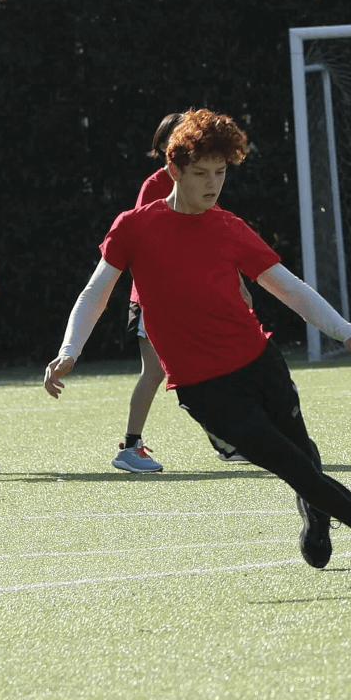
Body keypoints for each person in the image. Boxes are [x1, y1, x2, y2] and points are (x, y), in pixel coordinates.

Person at [43, 108, 351, 578]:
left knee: (302, 452)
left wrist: (347, 331)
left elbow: (288, 287)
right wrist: (68, 351)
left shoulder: (228, 227)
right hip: (203, 388)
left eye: (220, 172)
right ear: (172, 170)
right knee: (293, 466)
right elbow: (96, 292)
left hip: (260, 362)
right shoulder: (134, 227)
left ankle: (317, 516)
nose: (212, 184)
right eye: (200, 173)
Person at [111, 112, 250, 473]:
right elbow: (144, 244)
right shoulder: (157, 186)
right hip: (153, 302)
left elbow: (217, 241)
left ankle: (225, 440)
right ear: (166, 149)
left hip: (190, 300)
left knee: (206, 368)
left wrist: (239, 282)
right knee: (155, 372)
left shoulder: (202, 185)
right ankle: (129, 447)